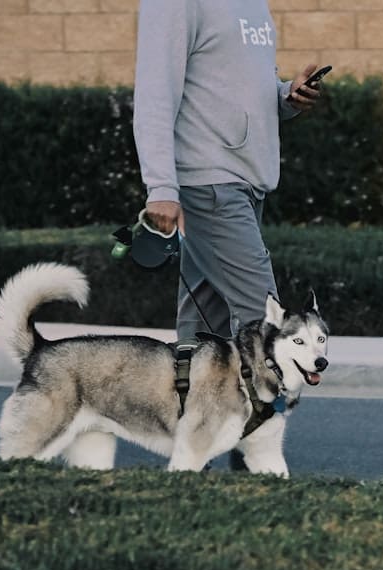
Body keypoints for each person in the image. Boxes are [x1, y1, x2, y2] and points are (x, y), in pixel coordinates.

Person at [132, 0, 323, 339]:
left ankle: (190, 391)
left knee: (204, 337)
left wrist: (286, 98)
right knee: (271, 334)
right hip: (209, 185)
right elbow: (155, 93)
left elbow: (240, 87)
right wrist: (160, 187)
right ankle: (274, 395)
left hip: (249, 181)